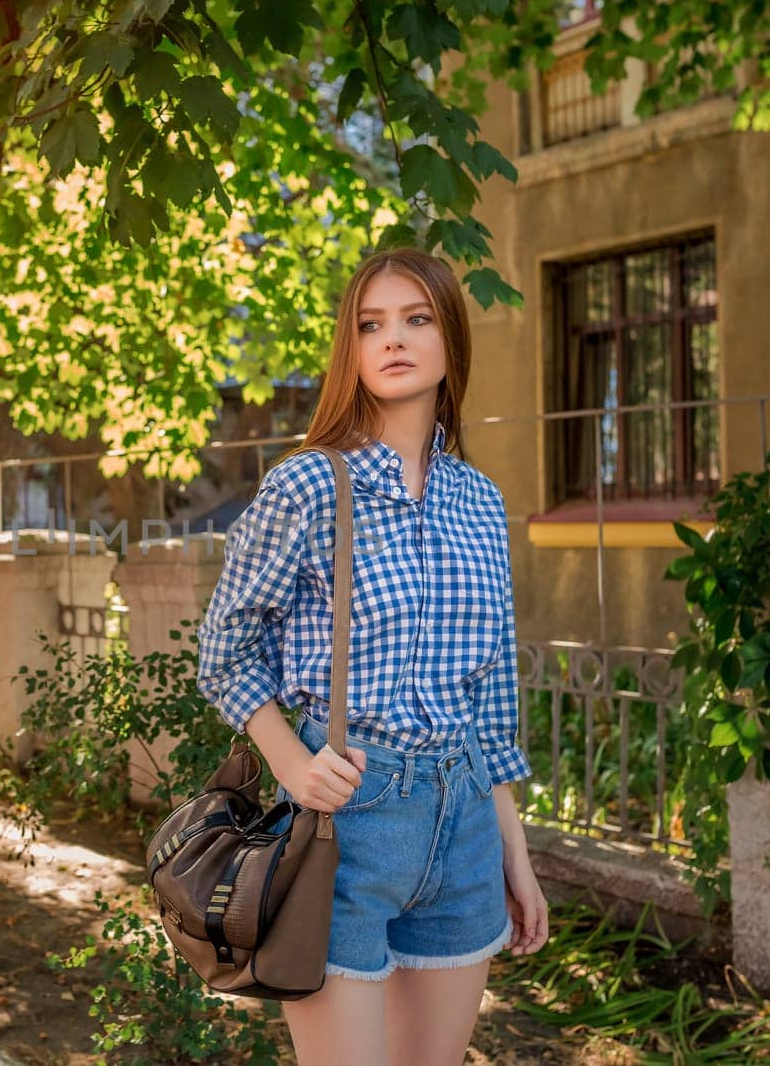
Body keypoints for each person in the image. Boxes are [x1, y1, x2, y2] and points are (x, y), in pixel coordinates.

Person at [196, 247, 550, 1065]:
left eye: (417, 318)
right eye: (371, 324)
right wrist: (288, 759)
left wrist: (514, 855)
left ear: (450, 341)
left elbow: (491, 695)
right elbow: (225, 644)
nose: (394, 339)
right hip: (346, 821)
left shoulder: (480, 500)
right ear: (350, 351)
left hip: (462, 819)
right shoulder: (311, 485)